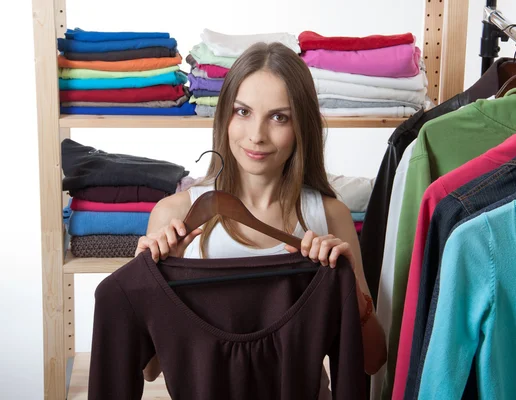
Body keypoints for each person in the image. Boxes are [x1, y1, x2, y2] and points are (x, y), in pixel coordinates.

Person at [135, 42, 387, 396]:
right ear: (225, 115)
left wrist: (352, 292)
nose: (256, 135)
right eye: (243, 112)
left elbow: (373, 360)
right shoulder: (173, 216)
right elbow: (148, 370)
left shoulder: (330, 217)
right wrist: (154, 281)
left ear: (302, 126)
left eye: (279, 117)